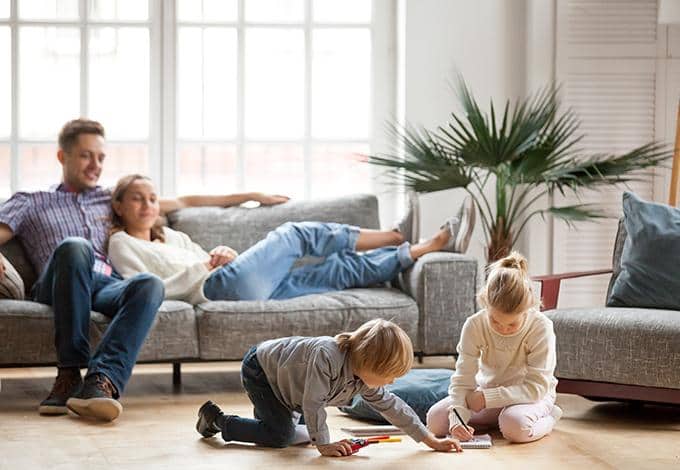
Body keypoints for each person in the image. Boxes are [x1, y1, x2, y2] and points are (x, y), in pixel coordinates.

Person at [0, 119, 288, 421]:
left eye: (100, 157)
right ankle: (69, 373)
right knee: (76, 246)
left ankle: (101, 382)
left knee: (149, 283)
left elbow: (185, 201)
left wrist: (251, 195)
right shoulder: (31, 201)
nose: (95, 165)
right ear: (63, 157)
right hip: (59, 282)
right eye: (86, 156)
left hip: (104, 283)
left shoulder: (110, 198)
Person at [106, 174, 476, 303]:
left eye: (152, 198)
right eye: (137, 198)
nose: (147, 205)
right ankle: (395, 234)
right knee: (295, 234)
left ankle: (420, 248)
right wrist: (206, 266)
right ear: (119, 206)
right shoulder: (122, 243)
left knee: (336, 271)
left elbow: (209, 255)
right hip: (215, 287)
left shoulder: (171, 235)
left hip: (236, 281)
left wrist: (222, 252)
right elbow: (142, 288)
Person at [196, 319, 463, 456]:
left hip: (290, 386)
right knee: (281, 437)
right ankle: (218, 420)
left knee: (294, 433)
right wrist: (324, 444)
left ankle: (267, 420)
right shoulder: (327, 355)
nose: (391, 382)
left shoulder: (364, 378)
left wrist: (431, 440)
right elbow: (313, 403)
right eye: (387, 375)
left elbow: (394, 407)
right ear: (368, 362)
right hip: (263, 370)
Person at [425, 252, 562, 443]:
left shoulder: (541, 327)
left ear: (528, 308)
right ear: (485, 303)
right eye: (495, 321)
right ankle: (495, 420)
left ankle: (549, 418)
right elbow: (463, 380)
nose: (504, 329)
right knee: (435, 422)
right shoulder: (474, 325)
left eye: (512, 324)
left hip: (531, 397)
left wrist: (486, 398)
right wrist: (458, 419)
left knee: (515, 427)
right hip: (487, 392)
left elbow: (535, 388)